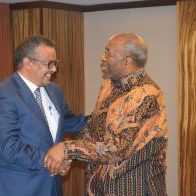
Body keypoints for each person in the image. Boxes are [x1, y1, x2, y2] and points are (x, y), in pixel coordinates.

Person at [44, 32, 169, 195]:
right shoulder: (109, 86)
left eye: (108, 53)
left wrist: (68, 149)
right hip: (100, 188)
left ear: (127, 60)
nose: (103, 57)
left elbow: (119, 148)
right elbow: (94, 130)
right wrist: (70, 157)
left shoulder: (147, 95)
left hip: (134, 188)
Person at [0, 35, 87, 196]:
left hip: (51, 188)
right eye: (49, 64)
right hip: (17, 189)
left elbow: (70, 122)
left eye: (55, 63)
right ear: (28, 62)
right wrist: (53, 161)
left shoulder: (54, 91)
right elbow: (8, 147)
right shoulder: (3, 94)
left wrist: (106, 117)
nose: (54, 69)